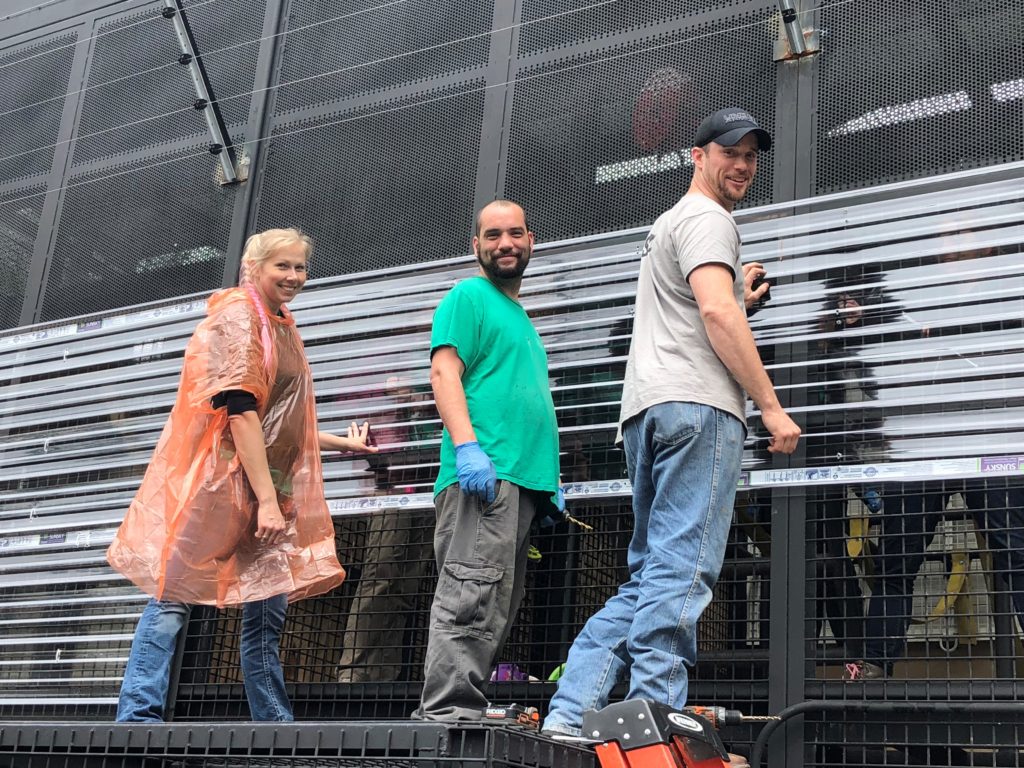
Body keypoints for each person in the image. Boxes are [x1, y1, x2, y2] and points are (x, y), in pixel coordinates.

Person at [542, 108, 800, 742]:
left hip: (647, 413)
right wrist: (769, 404)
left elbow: (703, 307)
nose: (741, 165)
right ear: (697, 155)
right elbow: (714, 312)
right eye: (729, 152)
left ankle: (571, 712)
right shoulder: (711, 219)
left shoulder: (667, 225)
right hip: (700, 410)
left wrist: (741, 302)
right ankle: (651, 722)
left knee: (650, 576)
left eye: (750, 155)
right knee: (684, 572)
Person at [106, 227, 377, 722]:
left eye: (300, 266)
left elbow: (281, 421)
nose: (294, 276)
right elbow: (239, 408)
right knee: (174, 595)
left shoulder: (280, 323)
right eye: (283, 266)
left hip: (269, 483)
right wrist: (267, 501)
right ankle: (138, 716)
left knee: (266, 609)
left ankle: (273, 723)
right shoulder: (239, 314)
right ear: (254, 266)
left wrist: (343, 444)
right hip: (226, 483)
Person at [412, 200, 562, 721]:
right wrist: (468, 448)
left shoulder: (516, 314)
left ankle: (465, 708)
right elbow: (444, 374)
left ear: (531, 240)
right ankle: (447, 715)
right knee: (471, 596)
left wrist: (547, 480)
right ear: (474, 245)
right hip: (485, 480)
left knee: (496, 605)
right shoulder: (468, 296)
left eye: (515, 233)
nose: (505, 243)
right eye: (493, 234)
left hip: (517, 484)